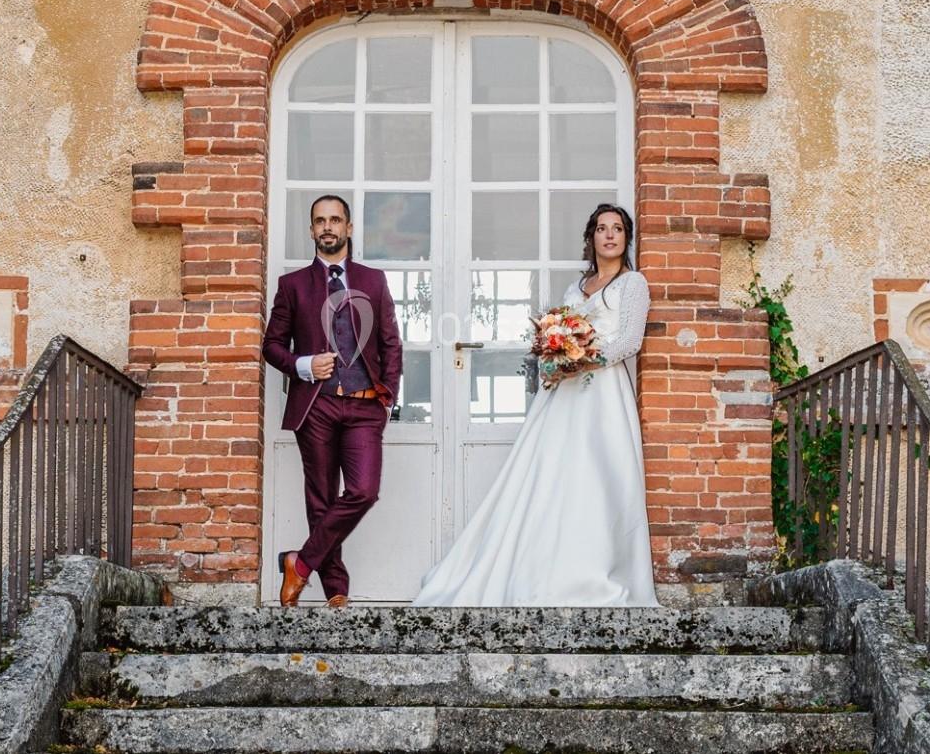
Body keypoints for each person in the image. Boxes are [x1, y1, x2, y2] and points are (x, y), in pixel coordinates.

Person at [412, 203, 658, 606]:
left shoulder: (634, 285)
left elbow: (630, 342)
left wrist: (582, 360)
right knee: (552, 477)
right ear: (591, 237)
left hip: (604, 396)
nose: (609, 235)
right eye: (601, 228)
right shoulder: (574, 290)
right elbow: (555, 338)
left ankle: (594, 571)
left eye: (617, 229)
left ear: (627, 238)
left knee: (600, 478)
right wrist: (556, 357)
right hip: (562, 398)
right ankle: (540, 567)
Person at [263, 194, 403, 607]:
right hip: (317, 405)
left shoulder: (373, 281)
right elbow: (272, 346)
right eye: (320, 221)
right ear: (311, 230)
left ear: (349, 228)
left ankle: (300, 563)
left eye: (335, 220)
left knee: (363, 490)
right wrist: (304, 364)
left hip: (364, 405)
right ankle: (336, 590)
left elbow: (391, 345)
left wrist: (385, 400)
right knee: (321, 499)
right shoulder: (292, 286)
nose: (328, 227)